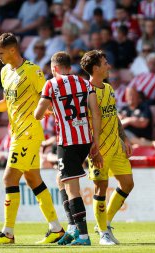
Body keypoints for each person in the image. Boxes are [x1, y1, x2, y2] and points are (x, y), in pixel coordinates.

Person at [0, 33, 64, 245]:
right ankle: (56, 229)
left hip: (29, 133)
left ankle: (7, 232)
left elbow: (47, 99)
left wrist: (51, 113)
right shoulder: (5, 71)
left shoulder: (33, 71)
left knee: (9, 179)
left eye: (0, 53)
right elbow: (8, 102)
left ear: (12, 50)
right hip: (16, 133)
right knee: (33, 179)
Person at [34, 51, 102, 246]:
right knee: (61, 179)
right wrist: (95, 141)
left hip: (68, 141)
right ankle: (72, 227)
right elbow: (95, 113)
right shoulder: (84, 82)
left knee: (73, 189)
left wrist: (46, 110)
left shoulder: (51, 84)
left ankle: (83, 235)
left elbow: (38, 115)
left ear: (54, 69)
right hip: (85, 139)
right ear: (69, 67)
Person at [78, 49, 134, 245]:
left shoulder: (108, 89)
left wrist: (124, 138)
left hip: (116, 145)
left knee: (127, 183)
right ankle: (103, 234)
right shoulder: (86, 92)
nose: (108, 66)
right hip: (99, 148)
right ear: (95, 68)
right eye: (105, 63)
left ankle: (105, 222)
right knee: (101, 188)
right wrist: (90, 148)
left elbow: (114, 116)